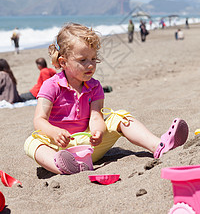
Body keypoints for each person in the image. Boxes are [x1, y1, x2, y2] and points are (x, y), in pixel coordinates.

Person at [24, 23, 189, 175]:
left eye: (93, 59)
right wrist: (54, 132)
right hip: (59, 145)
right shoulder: (50, 85)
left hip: (89, 145)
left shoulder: (94, 86)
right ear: (63, 62)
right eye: (83, 60)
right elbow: (39, 119)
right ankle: (63, 166)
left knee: (120, 117)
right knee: (31, 142)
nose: (90, 65)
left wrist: (98, 132)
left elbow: (96, 116)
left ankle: (159, 146)